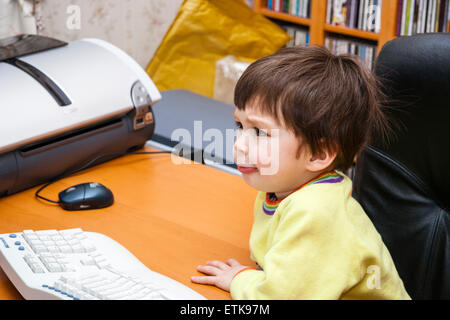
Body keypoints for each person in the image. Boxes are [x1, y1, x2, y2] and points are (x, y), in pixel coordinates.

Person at [190, 45, 411, 299]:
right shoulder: (282, 186)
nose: (239, 144)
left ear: (318, 154)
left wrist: (240, 279)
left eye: (260, 132)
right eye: (239, 125)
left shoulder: (315, 212)